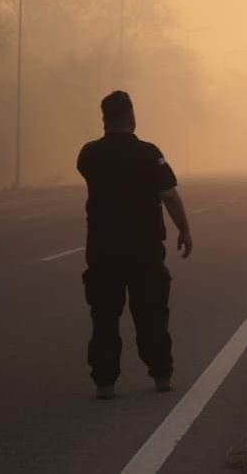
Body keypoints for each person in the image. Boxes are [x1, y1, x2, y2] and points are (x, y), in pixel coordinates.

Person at [76, 90, 193, 399]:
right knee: (151, 313)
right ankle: (162, 376)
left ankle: (104, 383)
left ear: (103, 119)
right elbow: (169, 194)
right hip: (144, 248)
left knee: (104, 317)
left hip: (103, 249)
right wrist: (184, 229)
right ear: (131, 116)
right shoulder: (148, 153)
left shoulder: (88, 154)